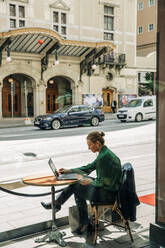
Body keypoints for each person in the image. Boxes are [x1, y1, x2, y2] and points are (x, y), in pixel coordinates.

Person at [41, 131, 122, 235]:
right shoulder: (104, 153)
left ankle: (58, 204)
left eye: (90, 145)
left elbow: (101, 182)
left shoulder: (103, 157)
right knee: (78, 184)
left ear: (97, 143)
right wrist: (69, 170)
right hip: (109, 190)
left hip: (107, 195)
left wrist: (91, 181)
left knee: (76, 185)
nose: (89, 148)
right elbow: (89, 168)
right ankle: (82, 221)